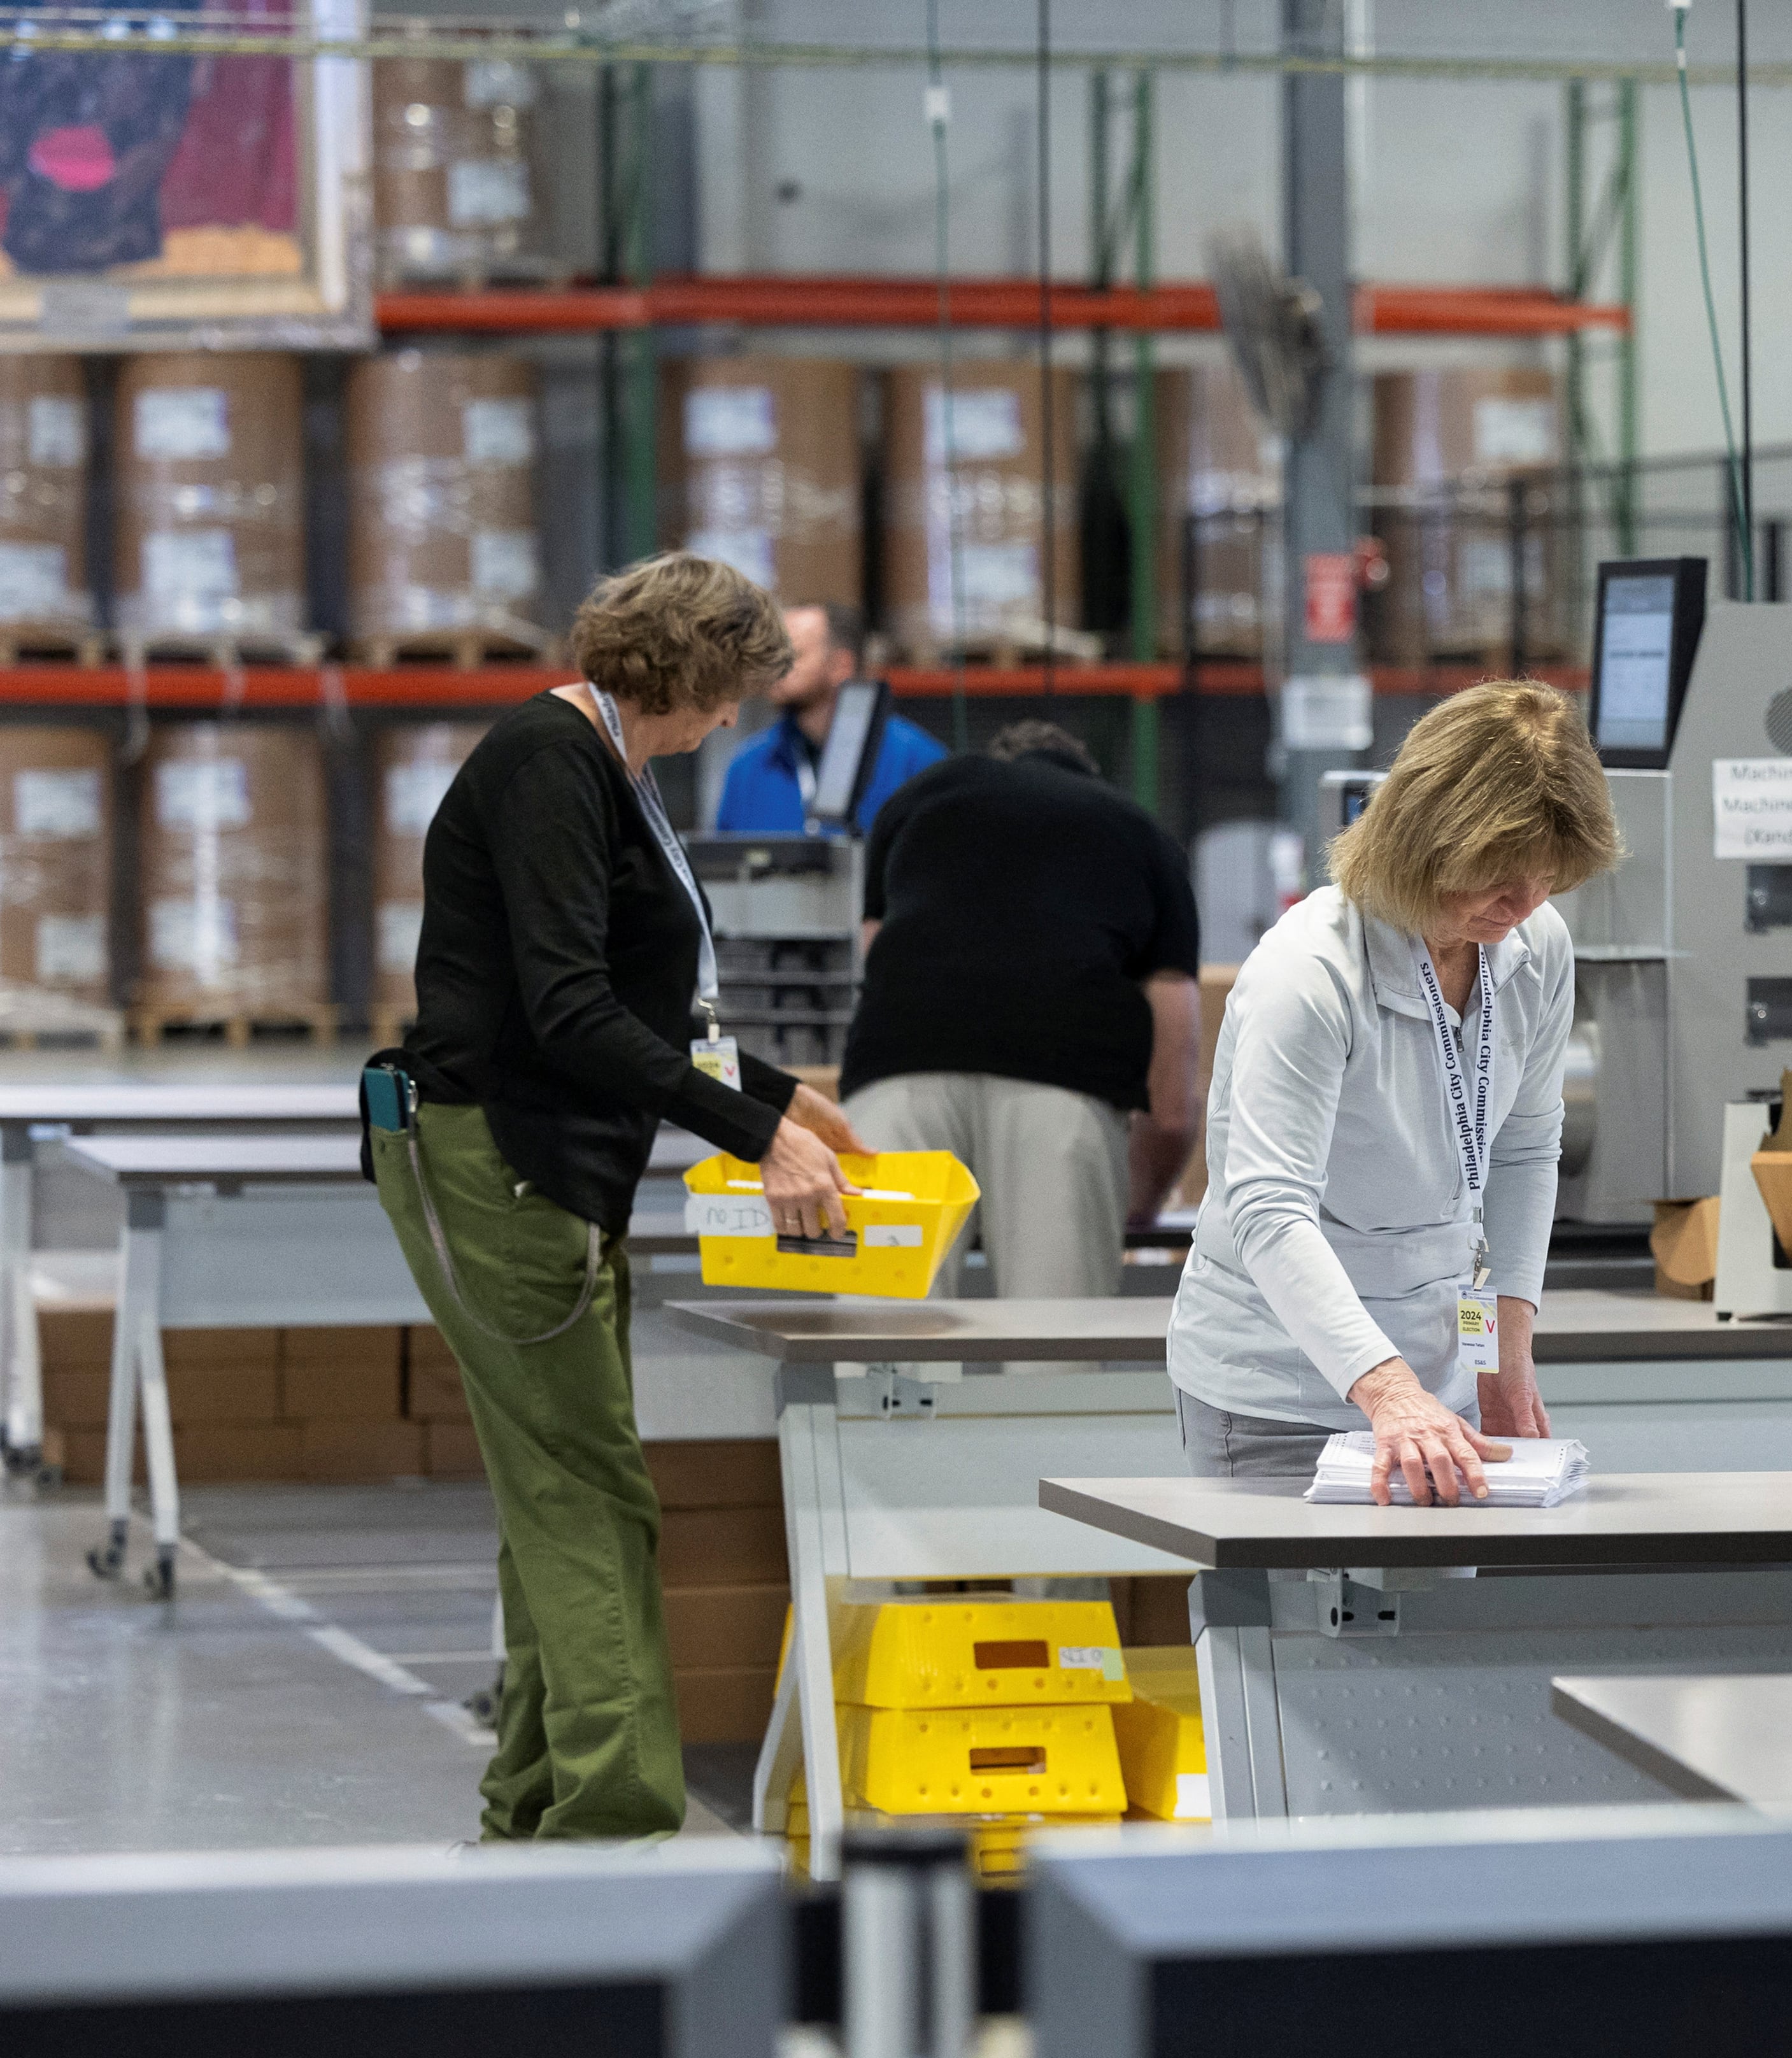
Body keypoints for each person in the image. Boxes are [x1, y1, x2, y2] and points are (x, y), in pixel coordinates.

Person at [369, 552, 871, 1840]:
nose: (734, 722)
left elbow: (639, 1004)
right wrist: (750, 1133)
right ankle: (616, 1815)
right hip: (497, 1163)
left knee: (557, 1484)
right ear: (694, 673)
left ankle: (536, 1791)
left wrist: (775, 1089)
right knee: (592, 1491)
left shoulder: (609, 772)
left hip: (556, 1167)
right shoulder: (553, 765)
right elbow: (569, 1008)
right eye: (734, 694)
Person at [1166, 680, 1620, 1504]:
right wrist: (1386, 1390)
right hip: (1280, 1387)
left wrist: (1505, 1357)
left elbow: (1522, 1148)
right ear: (1429, 839)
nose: (1524, 906)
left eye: (1547, 878)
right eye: (1500, 877)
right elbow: (1269, 1207)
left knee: (1432, 1624)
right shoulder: (1307, 972)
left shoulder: (1535, 947)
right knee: (1291, 1631)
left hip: (1432, 1383)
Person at [841, 721, 1203, 1298]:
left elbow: (875, 955)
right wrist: (1134, 1203)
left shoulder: (917, 799)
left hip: (897, 1069)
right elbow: (1174, 1097)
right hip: (1062, 1085)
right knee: (1050, 1348)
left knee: (886, 1337)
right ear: (1086, 775)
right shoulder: (1141, 833)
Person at [711, 599, 945, 835]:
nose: (773, 668)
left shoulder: (916, 761)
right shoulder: (748, 767)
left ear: (841, 666)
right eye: (771, 655)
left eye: (793, 656)